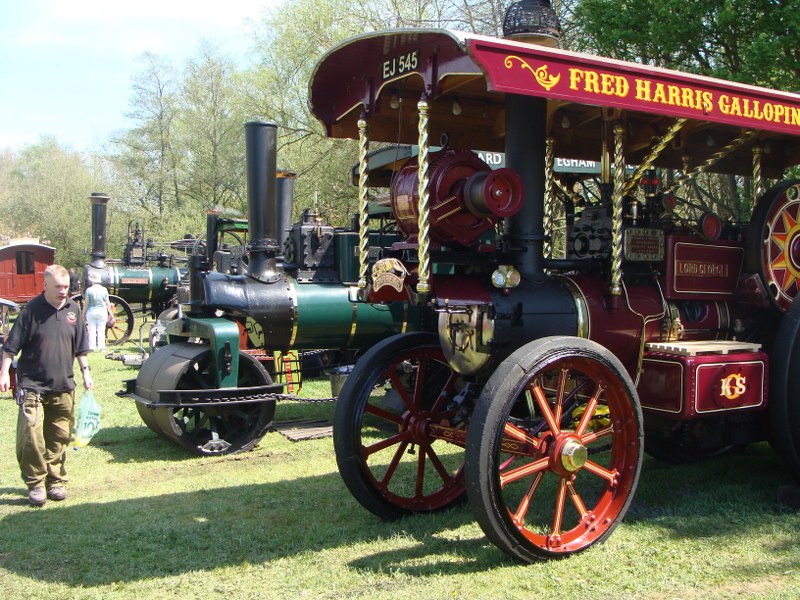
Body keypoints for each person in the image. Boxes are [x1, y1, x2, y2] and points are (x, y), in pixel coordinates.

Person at [0, 264, 92, 506]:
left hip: (63, 386)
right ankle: (36, 484)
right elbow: (10, 348)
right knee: (30, 435)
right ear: (45, 286)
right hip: (32, 386)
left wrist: (86, 373)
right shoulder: (31, 310)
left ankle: (55, 482)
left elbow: (81, 348)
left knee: (59, 437)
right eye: (58, 287)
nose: (63, 291)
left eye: (66, 287)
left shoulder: (74, 309)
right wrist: (3, 374)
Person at [83, 275, 113, 352]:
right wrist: (111, 314)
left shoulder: (89, 290)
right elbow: (107, 303)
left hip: (91, 312)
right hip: (102, 312)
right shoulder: (104, 290)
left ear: (92, 281)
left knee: (91, 329)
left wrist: (83, 313)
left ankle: (92, 347)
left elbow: (86, 303)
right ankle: (102, 347)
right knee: (101, 330)